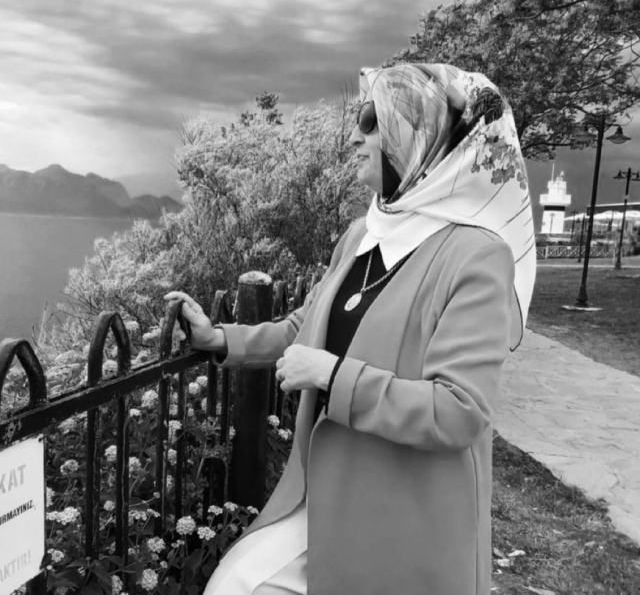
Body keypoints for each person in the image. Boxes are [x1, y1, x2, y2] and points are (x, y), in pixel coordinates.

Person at [165, 63, 536, 595]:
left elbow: (460, 412)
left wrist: (334, 377)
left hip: (405, 522)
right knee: (233, 583)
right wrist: (220, 338)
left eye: (371, 121)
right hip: (326, 498)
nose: (355, 137)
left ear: (423, 139)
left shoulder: (475, 256)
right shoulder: (364, 234)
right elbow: (307, 326)